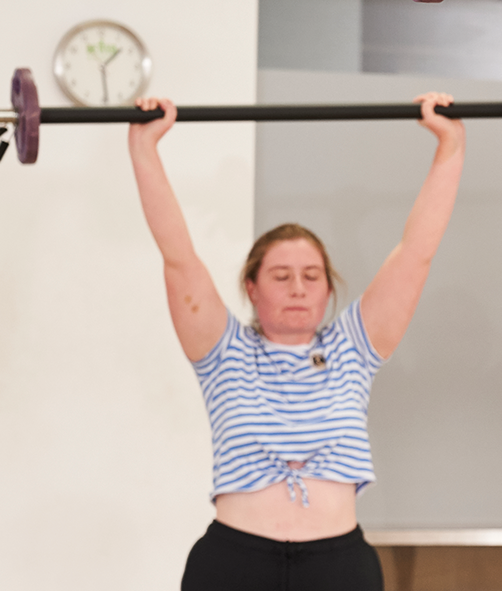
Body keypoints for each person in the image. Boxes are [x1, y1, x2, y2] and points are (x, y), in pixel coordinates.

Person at [127, 93, 467, 591]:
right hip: (233, 564)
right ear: (252, 287)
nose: (298, 287)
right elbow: (178, 255)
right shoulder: (224, 352)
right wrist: (144, 149)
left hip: (338, 568)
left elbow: (416, 253)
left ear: (329, 289)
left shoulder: (354, 346)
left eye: (311, 275)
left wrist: (451, 145)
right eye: (281, 275)